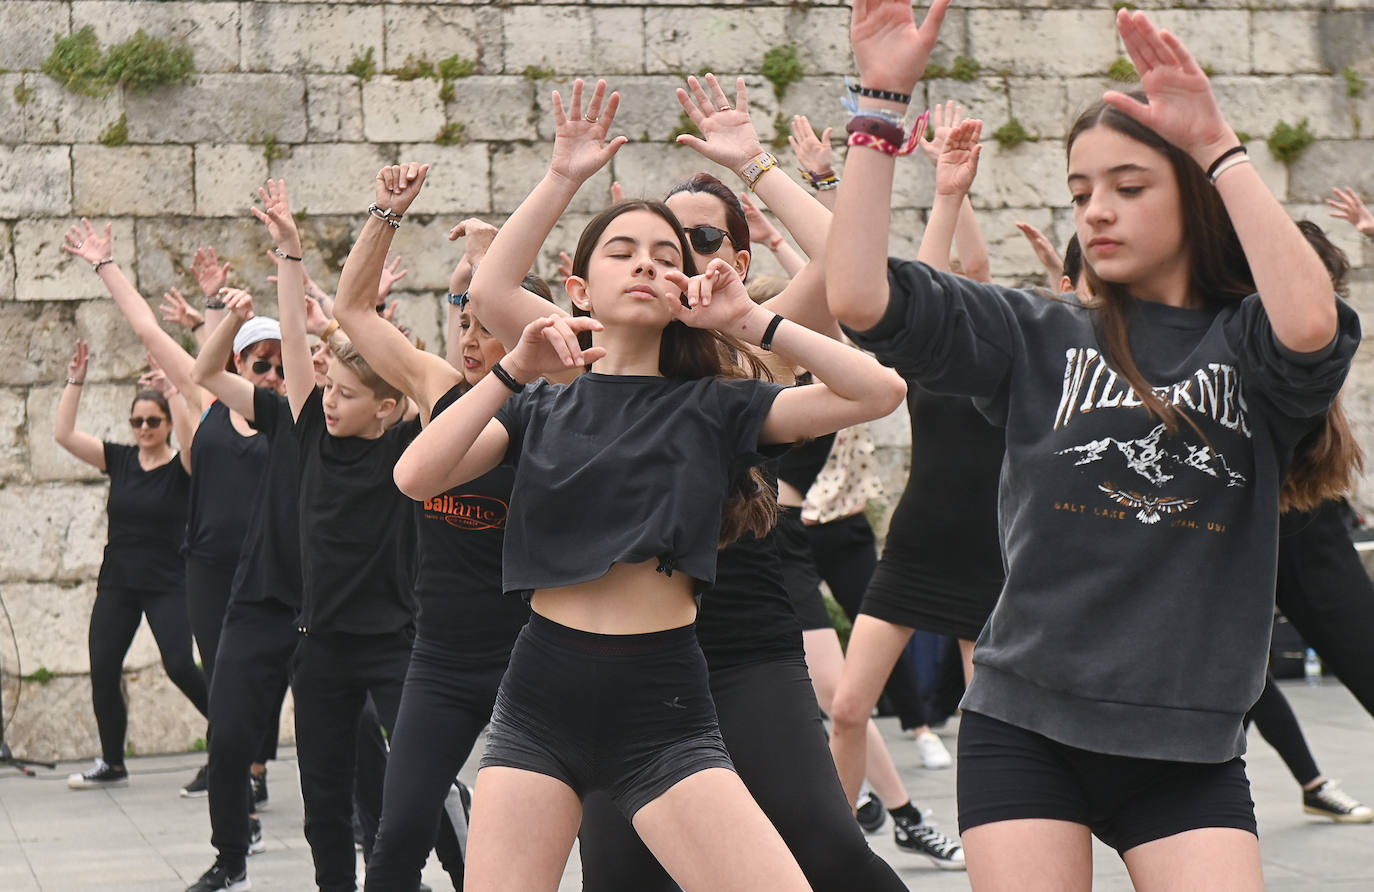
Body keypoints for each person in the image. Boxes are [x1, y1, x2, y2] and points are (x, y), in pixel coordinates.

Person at [827, 4, 1360, 889]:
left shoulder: (1249, 348)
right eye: (1081, 193)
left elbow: (1309, 322)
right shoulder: (1034, 331)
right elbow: (861, 297)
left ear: (1189, 192)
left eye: (1129, 186)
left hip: (1187, 748)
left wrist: (1218, 146)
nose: (1097, 211)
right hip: (1026, 728)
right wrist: (880, 106)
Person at [392, 73, 905, 891]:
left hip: (664, 703)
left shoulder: (717, 405)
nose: (646, 264)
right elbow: (416, 476)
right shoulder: (546, 399)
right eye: (622, 251)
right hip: (538, 697)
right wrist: (515, 363)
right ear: (576, 287)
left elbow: (877, 392)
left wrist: (750, 321)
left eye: (667, 256)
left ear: (684, 291)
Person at [333, 205, 536, 890]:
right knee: (396, 840)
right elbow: (354, 310)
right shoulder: (437, 391)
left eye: (485, 324)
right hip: (442, 658)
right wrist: (386, 215)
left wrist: (489, 259)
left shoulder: (553, 408)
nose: (470, 338)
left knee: (544, 845)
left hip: (532, 656)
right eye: (462, 321)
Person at [59, 221, 285, 800]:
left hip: (275, 570)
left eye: (282, 367)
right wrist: (105, 265)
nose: (273, 376)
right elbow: (146, 328)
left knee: (289, 681)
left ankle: (303, 785)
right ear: (238, 366)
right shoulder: (206, 402)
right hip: (211, 570)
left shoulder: (299, 415)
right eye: (261, 366)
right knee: (224, 684)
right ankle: (242, 792)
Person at [55, 339, 208, 789]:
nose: (144, 427)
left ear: (165, 424)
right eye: (137, 420)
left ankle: (235, 737)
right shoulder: (119, 459)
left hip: (167, 583)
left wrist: (174, 391)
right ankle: (112, 762)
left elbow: (191, 440)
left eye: (152, 421)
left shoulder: (183, 466)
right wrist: (76, 381)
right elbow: (63, 435)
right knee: (103, 669)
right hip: (118, 583)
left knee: (180, 665)